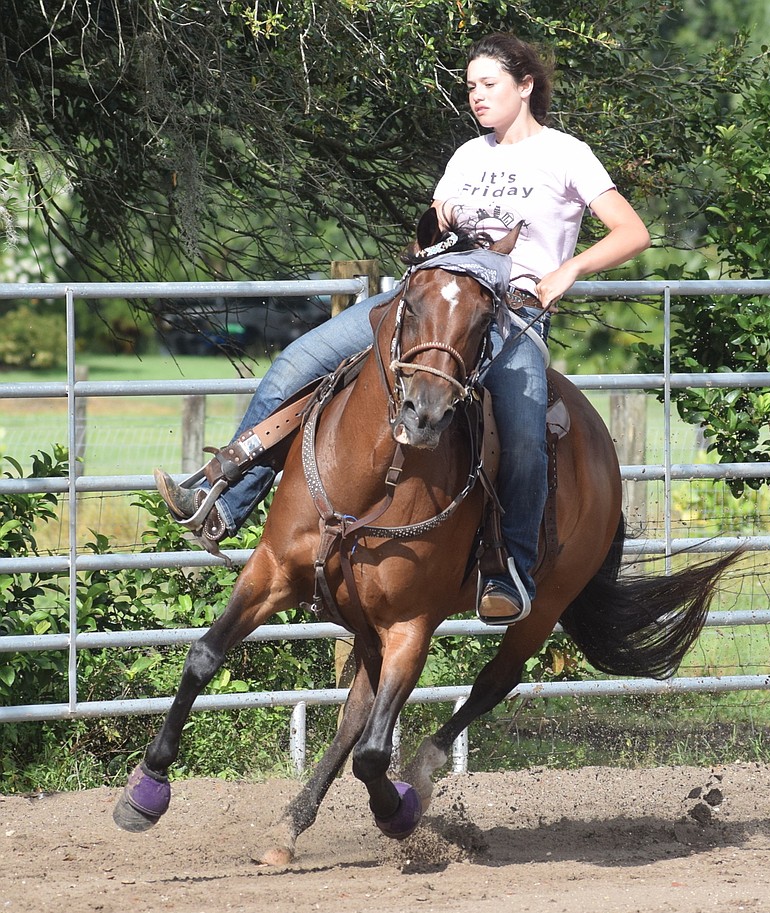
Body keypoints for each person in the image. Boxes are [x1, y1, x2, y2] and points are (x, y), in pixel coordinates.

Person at [155, 32, 650, 625]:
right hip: (426, 301)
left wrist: (569, 268)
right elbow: (435, 238)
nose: (476, 96)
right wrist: (431, 237)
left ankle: (508, 567)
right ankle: (221, 501)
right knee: (295, 365)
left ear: (525, 86)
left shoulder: (565, 154)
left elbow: (631, 231)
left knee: (521, 424)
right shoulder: (468, 156)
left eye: (488, 84)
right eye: (470, 86)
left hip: (508, 312)